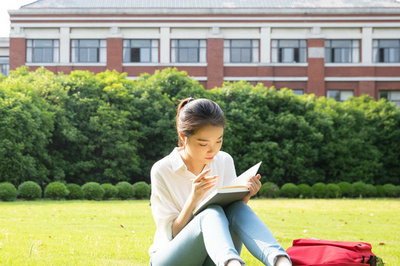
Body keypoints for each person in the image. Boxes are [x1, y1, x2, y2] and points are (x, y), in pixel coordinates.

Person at [149, 97, 291, 266]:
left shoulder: (223, 161)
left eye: (219, 141)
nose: (213, 150)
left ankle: (280, 261)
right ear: (183, 136)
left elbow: (233, 213)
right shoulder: (163, 169)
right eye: (203, 144)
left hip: (214, 257)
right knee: (210, 212)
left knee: (237, 207)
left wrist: (245, 194)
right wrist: (193, 199)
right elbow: (171, 234)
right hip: (171, 258)